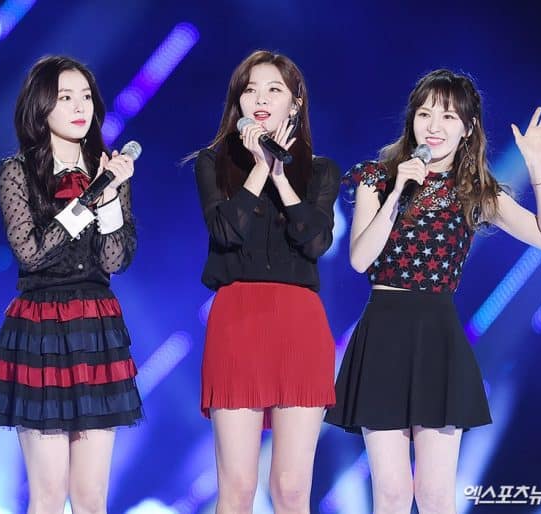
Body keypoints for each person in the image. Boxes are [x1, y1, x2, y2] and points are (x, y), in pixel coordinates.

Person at [325, 69, 541, 514]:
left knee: (435, 495)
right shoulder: (376, 179)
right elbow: (360, 259)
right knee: (392, 495)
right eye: (425, 114)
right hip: (382, 335)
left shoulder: (475, 192)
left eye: (448, 117)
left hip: (437, 338)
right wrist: (398, 191)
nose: (434, 126)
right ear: (411, 120)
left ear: (468, 128)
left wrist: (537, 167)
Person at [0, 55, 142, 514]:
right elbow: (31, 252)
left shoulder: (109, 170)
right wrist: (90, 199)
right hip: (41, 329)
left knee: (91, 497)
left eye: (85, 96)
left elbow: (116, 259)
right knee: (49, 495)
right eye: (65, 97)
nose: (79, 107)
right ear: (41, 106)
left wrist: (109, 200)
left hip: (96, 327)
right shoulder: (18, 170)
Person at [192, 50, 339, 514]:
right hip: (237, 322)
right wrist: (258, 168)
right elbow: (225, 231)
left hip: (299, 325)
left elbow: (315, 241)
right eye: (250, 90)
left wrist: (281, 175)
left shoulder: (320, 171)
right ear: (237, 103)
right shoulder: (213, 163)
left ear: (295, 103)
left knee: (291, 489)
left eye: (274, 90)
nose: (260, 99)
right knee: (238, 487)